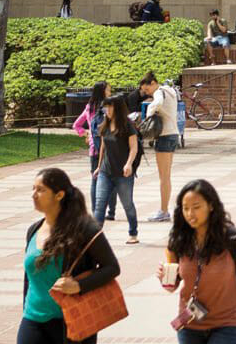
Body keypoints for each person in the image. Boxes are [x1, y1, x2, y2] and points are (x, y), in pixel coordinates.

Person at [20, 167, 121, 344]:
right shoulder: (33, 230)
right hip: (33, 321)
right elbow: (29, 278)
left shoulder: (84, 229)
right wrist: (25, 309)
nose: (33, 194)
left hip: (72, 324)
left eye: (41, 190)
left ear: (59, 195)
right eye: (33, 189)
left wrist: (78, 285)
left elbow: (112, 267)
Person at [161, 180, 236, 344]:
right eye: (186, 208)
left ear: (211, 206)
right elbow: (171, 286)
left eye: (196, 207)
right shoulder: (177, 240)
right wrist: (165, 278)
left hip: (226, 324)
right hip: (189, 326)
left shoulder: (232, 239)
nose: (190, 214)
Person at [92, 95, 139, 243]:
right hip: (106, 172)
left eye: (109, 106)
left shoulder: (127, 126)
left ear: (117, 108)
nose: (107, 110)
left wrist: (129, 164)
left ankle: (133, 232)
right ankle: (95, 238)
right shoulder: (105, 124)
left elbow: (134, 148)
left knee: (127, 204)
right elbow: (103, 148)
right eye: (105, 107)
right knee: (99, 203)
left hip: (123, 174)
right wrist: (99, 167)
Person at [72, 82, 116, 222]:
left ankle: (95, 210)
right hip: (109, 148)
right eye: (109, 89)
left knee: (94, 180)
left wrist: (86, 134)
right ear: (103, 91)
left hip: (94, 149)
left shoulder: (89, 107)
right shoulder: (110, 107)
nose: (110, 91)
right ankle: (111, 211)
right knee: (112, 179)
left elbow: (76, 125)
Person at [140, 71, 180, 221]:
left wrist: (148, 116)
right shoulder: (170, 90)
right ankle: (164, 210)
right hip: (173, 134)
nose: (147, 93)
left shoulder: (159, 92)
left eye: (147, 89)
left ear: (153, 83)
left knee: (163, 177)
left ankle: (163, 211)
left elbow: (156, 103)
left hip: (164, 135)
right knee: (166, 176)